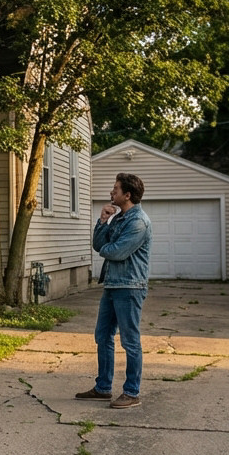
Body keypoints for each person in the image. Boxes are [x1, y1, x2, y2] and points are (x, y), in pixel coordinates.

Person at [76, 172, 152, 409]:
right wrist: (102, 221)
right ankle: (103, 388)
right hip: (112, 284)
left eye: (116, 189)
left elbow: (116, 251)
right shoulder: (119, 218)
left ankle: (131, 392)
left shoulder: (138, 222)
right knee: (103, 336)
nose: (112, 192)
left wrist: (107, 247)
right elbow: (99, 245)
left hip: (129, 286)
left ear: (127, 195)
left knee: (130, 341)